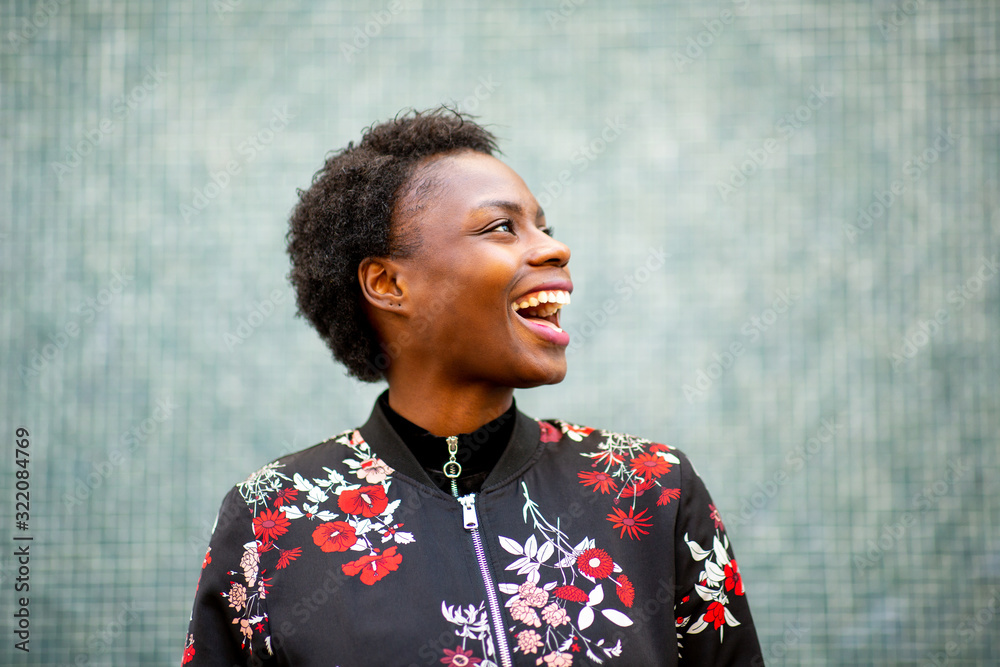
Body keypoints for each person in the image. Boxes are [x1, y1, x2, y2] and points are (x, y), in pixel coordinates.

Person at [181, 108, 763, 666]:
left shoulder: (651, 489)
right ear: (387, 284)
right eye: (502, 227)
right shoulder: (271, 517)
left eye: (544, 227)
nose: (553, 248)